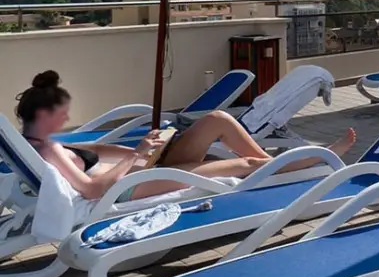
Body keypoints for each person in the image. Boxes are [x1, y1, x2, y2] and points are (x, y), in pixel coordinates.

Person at [17, 71, 355, 201]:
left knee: (217, 119)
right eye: (62, 113)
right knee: (242, 162)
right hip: (131, 186)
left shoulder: (35, 144)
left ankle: (281, 164)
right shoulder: (48, 149)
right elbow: (92, 189)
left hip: (147, 166)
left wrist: (144, 147)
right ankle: (308, 162)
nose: (68, 118)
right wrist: (137, 158)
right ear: (44, 115)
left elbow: (98, 152)